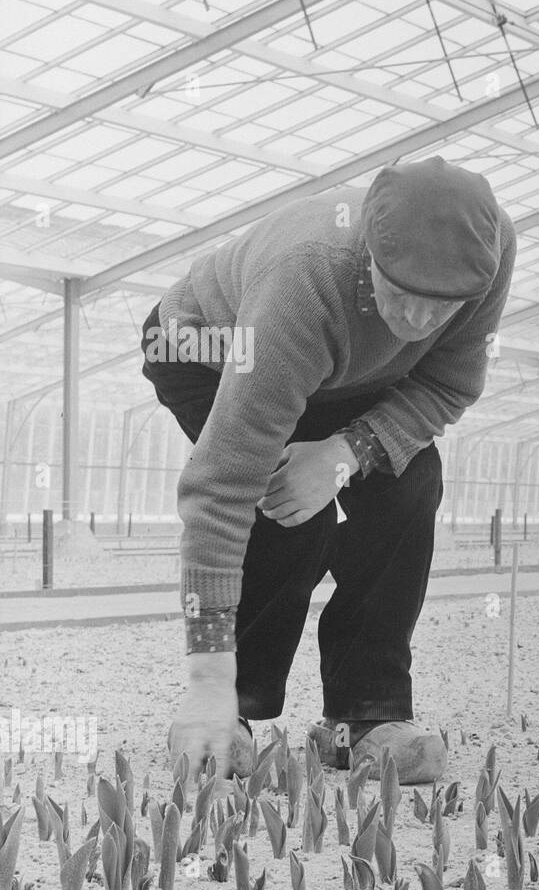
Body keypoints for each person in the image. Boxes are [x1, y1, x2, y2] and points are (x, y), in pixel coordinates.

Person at [142, 156, 516, 786]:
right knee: (283, 505)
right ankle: (231, 703)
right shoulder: (306, 281)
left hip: (352, 376)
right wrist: (206, 678)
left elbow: (447, 384)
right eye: (402, 294)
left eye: (442, 307)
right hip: (210, 345)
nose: (420, 322)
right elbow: (221, 486)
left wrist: (345, 453)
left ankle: (366, 717)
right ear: (369, 254)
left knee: (411, 482)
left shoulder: (487, 255)